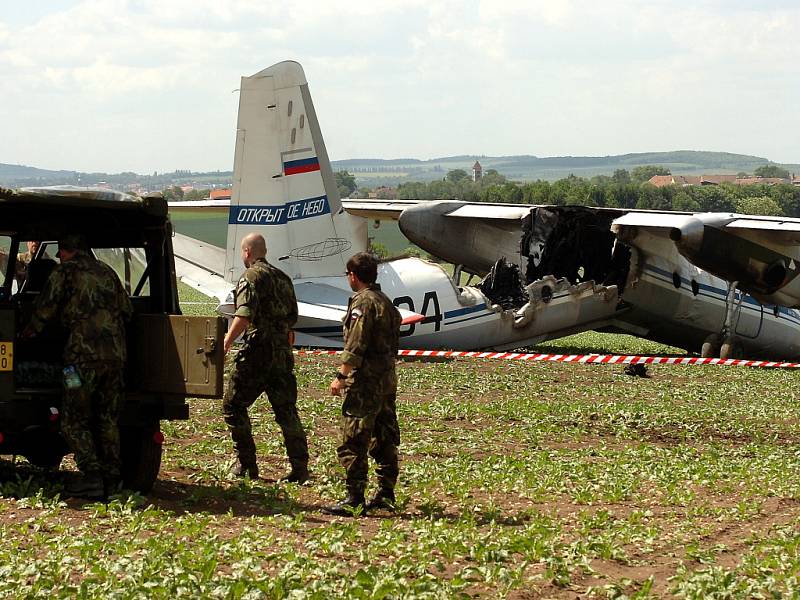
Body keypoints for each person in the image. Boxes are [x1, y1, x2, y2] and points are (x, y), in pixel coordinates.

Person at [23, 234, 133, 498]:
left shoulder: (66, 272)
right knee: (108, 418)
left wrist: (26, 335)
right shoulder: (107, 272)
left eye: (60, 251)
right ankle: (112, 478)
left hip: (79, 362)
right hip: (115, 359)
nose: (59, 256)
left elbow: (45, 310)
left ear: (68, 250)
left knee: (73, 420)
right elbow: (127, 310)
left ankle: (92, 476)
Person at [222, 233, 309, 482]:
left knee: (233, 404)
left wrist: (227, 343)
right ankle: (300, 467)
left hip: (258, 352)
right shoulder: (283, 278)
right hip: (281, 352)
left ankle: (246, 464)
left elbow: (244, 314)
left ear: (247, 253)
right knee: (286, 410)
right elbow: (292, 315)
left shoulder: (250, 277)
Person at [325, 252, 402, 516]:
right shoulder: (385, 302)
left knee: (353, 439)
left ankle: (355, 497)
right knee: (384, 439)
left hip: (366, 383)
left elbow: (356, 344)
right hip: (386, 380)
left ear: (353, 275)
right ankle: (386, 493)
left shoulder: (363, 303)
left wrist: (341, 376)